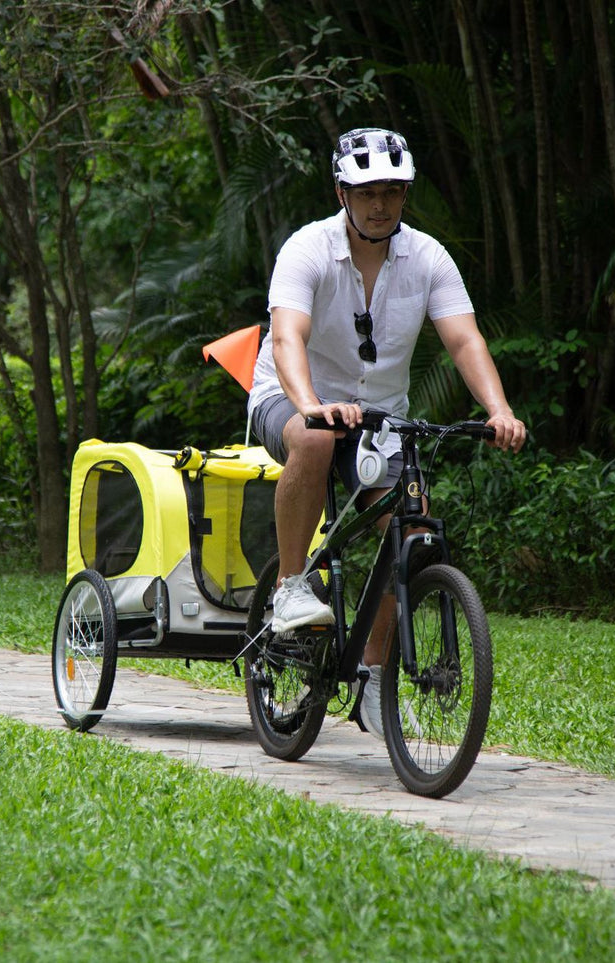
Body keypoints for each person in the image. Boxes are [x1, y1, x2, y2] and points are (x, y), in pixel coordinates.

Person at [246, 127, 527, 737]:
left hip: (382, 420)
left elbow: (463, 339)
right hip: (290, 398)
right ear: (343, 192)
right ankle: (292, 587)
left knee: (415, 537)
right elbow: (287, 336)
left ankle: (373, 679)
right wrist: (311, 405)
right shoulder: (307, 249)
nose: (381, 205)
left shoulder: (427, 258)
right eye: (368, 191)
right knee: (316, 439)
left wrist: (499, 409)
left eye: (394, 192)